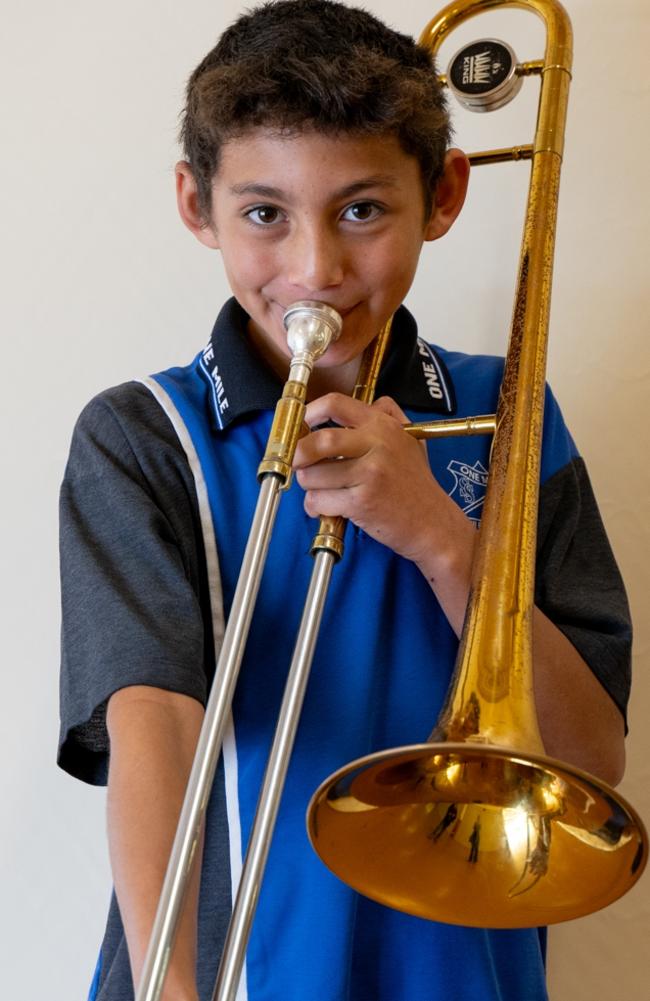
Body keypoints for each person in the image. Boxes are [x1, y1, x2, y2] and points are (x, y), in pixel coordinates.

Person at [57, 2, 632, 999]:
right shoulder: (143, 434)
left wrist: (442, 537)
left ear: (443, 193)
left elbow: (588, 757)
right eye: (264, 212)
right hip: (225, 971)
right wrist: (171, 986)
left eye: (361, 209)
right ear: (197, 205)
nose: (314, 268)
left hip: (459, 965)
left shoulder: (509, 416)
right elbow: (152, 721)